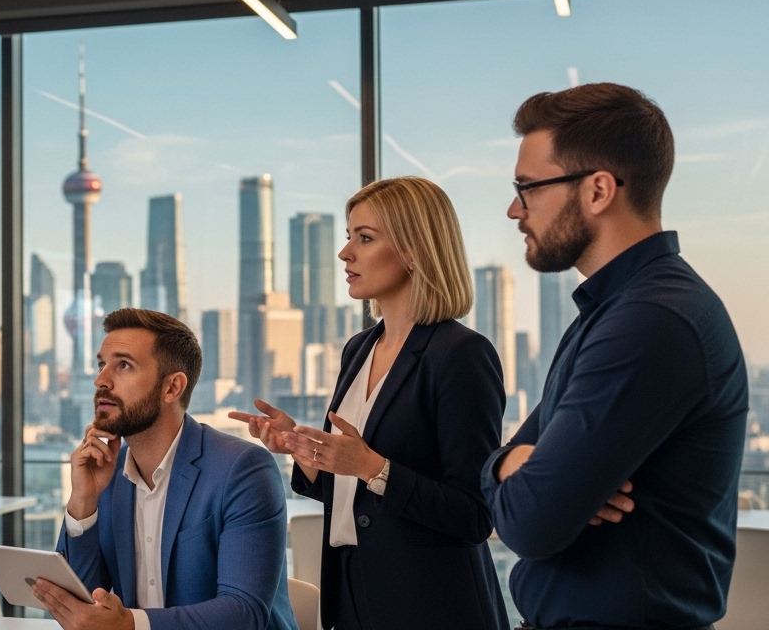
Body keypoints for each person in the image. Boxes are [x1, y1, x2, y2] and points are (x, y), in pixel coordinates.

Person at [485, 84, 748, 629]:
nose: (514, 209)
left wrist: (535, 477)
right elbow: (509, 470)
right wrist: (510, 464)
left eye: (528, 188)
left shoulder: (650, 321)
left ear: (598, 190)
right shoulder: (613, 310)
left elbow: (530, 523)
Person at [231, 176, 509, 630]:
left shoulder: (460, 354)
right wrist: (306, 451)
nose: (345, 254)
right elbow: (350, 493)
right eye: (348, 238)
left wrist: (373, 468)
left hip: (432, 606)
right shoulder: (359, 349)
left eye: (365, 238)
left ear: (415, 249)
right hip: (353, 594)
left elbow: (475, 514)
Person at [31, 308, 297, 630]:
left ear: (172, 388)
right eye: (102, 364)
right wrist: (83, 500)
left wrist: (130, 624)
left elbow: (243, 614)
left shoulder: (242, 470)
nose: (101, 380)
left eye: (124, 365)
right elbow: (78, 607)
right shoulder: (106, 473)